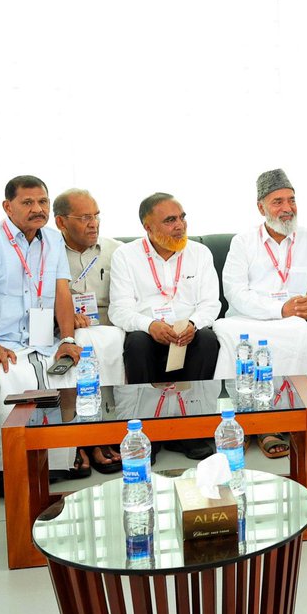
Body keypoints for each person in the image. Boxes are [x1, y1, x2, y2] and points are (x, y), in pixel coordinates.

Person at [0, 175, 82, 497]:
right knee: (7, 378)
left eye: (43, 202)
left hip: (40, 340)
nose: (37, 209)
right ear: (7, 206)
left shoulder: (52, 240)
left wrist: (67, 339)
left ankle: (54, 463)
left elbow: (62, 293)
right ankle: (6, 469)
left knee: (69, 374)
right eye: (28, 202)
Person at [213, 169, 307, 459]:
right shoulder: (243, 242)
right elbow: (235, 292)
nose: (287, 208)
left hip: (292, 322)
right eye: (278, 201)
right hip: (247, 320)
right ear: (261, 207)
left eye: (291, 200)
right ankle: (248, 420)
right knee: (230, 334)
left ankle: (282, 419)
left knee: (302, 333)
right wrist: (280, 308)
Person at [108, 192, 221, 460]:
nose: (180, 225)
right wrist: (150, 325)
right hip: (149, 336)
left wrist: (193, 323)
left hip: (189, 335)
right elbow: (119, 309)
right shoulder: (126, 256)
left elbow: (211, 304)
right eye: (170, 220)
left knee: (207, 340)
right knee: (135, 342)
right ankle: (147, 434)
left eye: (182, 217)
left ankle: (191, 433)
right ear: (148, 227)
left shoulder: (200, 253)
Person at [54, 187, 125, 473]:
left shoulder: (115, 250)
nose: (93, 223)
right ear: (61, 222)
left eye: (96, 216)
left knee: (106, 341)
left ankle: (101, 433)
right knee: (79, 343)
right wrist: (66, 317)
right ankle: (77, 437)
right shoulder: (46, 252)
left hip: (109, 324)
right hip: (65, 328)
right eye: (84, 217)